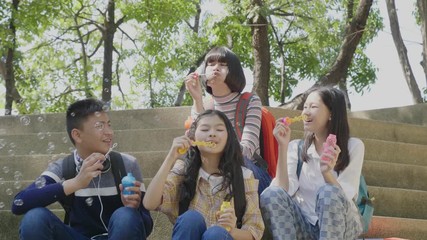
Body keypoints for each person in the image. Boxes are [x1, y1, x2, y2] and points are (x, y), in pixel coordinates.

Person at [11, 98, 153, 240]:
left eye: (109, 125)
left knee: (125, 215)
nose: (109, 132)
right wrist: (76, 183)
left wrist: (135, 208)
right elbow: (19, 203)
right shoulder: (64, 167)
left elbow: (146, 226)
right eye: (100, 126)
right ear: (77, 135)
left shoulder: (126, 164)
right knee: (34, 218)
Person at [260, 87, 364, 239]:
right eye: (305, 107)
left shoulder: (353, 146)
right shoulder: (296, 147)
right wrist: (282, 146)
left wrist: (326, 172)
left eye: (313, 107)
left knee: (328, 191)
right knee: (270, 193)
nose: (305, 112)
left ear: (331, 113)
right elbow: (281, 191)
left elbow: (343, 197)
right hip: (305, 225)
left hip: (342, 226)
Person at [143, 109, 264, 240]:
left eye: (219, 130)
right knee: (191, 218)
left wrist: (231, 230)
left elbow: (254, 231)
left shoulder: (244, 176)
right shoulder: (183, 170)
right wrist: (170, 157)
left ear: (229, 137)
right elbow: (150, 203)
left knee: (216, 233)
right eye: (205, 130)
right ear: (193, 138)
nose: (212, 134)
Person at [185, 46, 271, 194]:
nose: (216, 68)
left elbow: (247, 151)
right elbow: (197, 145)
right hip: (212, 170)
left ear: (234, 71)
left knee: (234, 164)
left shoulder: (249, 101)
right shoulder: (203, 104)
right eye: (211, 64)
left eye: (223, 64)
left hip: (249, 171)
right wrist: (197, 99)